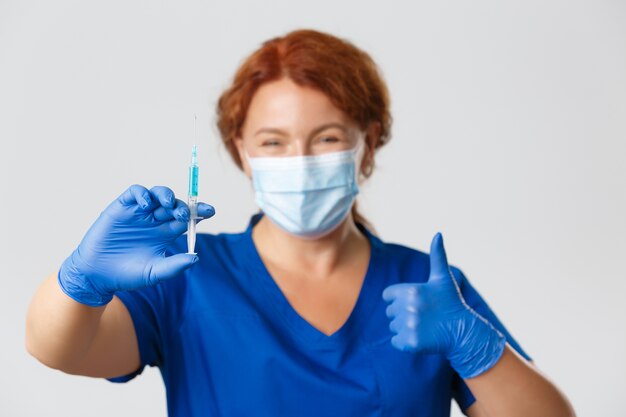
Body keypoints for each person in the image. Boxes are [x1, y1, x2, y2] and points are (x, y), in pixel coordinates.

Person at [26, 29, 575, 417]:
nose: (301, 161)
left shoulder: (427, 287)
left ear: (369, 143)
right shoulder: (188, 274)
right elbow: (60, 350)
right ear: (241, 151)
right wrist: (81, 282)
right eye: (273, 141)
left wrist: (478, 350)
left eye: (328, 138)